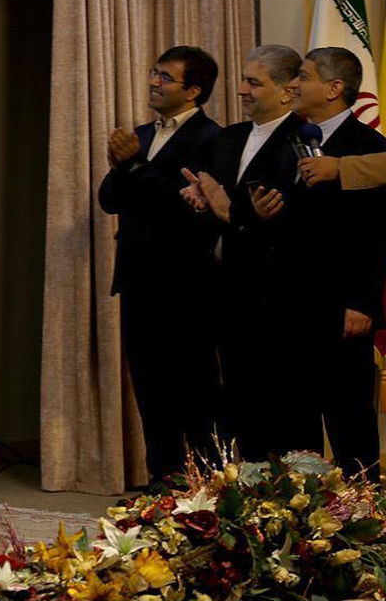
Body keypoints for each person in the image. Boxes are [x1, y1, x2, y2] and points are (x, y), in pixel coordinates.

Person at [98, 45, 221, 483]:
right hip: (138, 282)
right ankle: (160, 488)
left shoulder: (212, 138)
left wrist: (133, 164)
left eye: (165, 77)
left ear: (193, 91)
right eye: (154, 73)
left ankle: (205, 491)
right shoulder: (142, 134)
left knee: (192, 394)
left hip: (185, 285)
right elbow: (110, 199)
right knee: (150, 393)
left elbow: (184, 206)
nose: (153, 82)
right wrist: (128, 165)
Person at [180, 44, 304, 460]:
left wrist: (229, 212)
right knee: (228, 397)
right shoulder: (229, 138)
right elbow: (217, 206)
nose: (242, 91)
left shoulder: (301, 143)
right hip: (222, 287)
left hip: (274, 294)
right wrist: (200, 201)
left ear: (288, 92)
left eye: (254, 82)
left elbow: (293, 227)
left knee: (274, 404)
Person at [279, 46, 386, 480]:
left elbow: (373, 236)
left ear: (335, 87)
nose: (293, 85)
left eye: (303, 77)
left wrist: (361, 302)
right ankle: (301, 520)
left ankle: (364, 522)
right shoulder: (289, 141)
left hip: (342, 307)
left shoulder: (368, 147)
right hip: (290, 301)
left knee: (350, 423)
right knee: (293, 419)